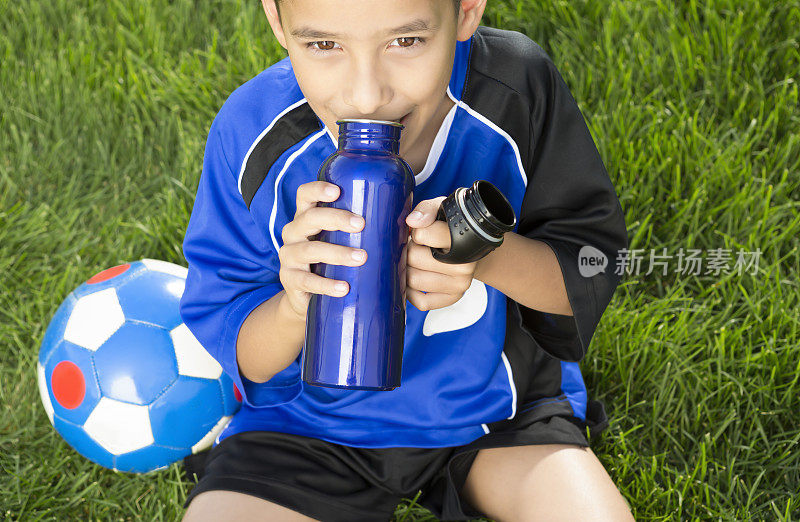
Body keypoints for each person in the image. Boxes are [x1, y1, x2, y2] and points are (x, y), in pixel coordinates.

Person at [178, 0, 634, 520]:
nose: (366, 95)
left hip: (496, 415)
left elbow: (587, 270)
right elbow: (245, 353)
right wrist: (294, 304)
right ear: (278, 23)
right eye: (324, 45)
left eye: (406, 41)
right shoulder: (253, 131)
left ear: (465, 11)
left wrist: (482, 255)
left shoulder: (516, 89)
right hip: (305, 430)